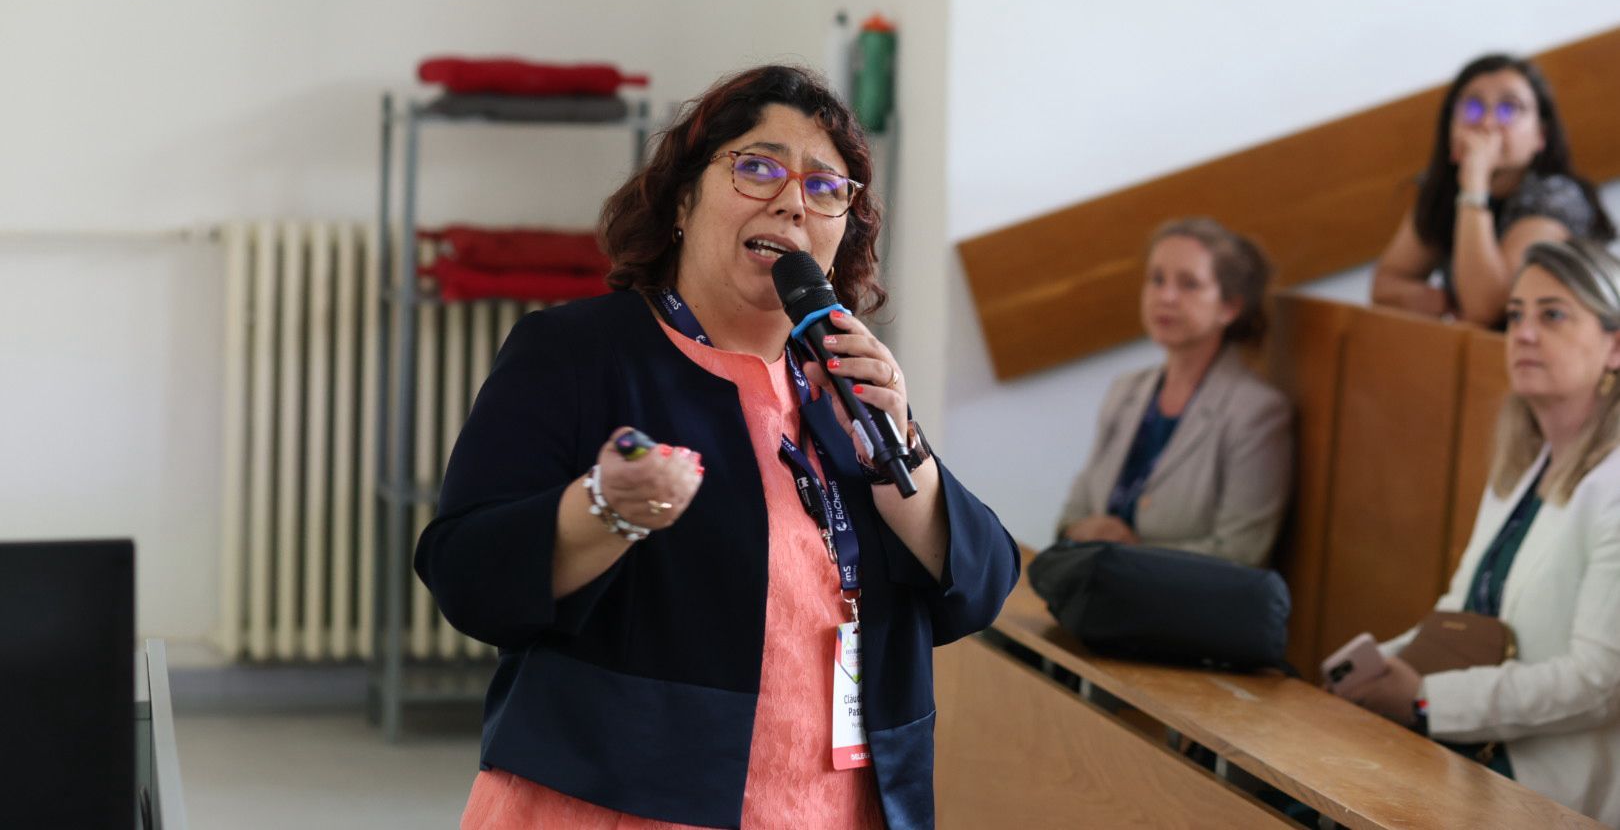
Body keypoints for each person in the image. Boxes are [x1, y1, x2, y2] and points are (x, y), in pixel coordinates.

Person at [414, 63, 1019, 830]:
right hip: (618, 803)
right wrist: (603, 511)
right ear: (682, 199)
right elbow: (467, 577)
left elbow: (981, 587)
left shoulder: (844, 387)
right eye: (758, 167)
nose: (792, 201)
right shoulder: (578, 354)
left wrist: (899, 445)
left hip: (837, 808)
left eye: (825, 187)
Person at [1342, 239, 1620, 824]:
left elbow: (1598, 682)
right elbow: (1461, 611)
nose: (1523, 332)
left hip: (1546, 785)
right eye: (1515, 315)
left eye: (1553, 314)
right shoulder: (1522, 467)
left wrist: (1424, 700)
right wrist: (1375, 670)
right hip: (1465, 747)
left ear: (1615, 346)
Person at [1056, 217, 1292, 567]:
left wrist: (1130, 554)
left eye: (1189, 284)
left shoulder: (1256, 412)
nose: (1165, 296)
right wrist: (1083, 531)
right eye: (1157, 279)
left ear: (1229, 307)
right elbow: (1071, 516)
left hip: (1180, 600)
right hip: (1092, 586)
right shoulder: (1125, 390)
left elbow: (1241, 554)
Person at [1372, 53, 1614, 326]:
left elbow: (1486, 309)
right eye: (1472, 108)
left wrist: (1475, 182)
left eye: (1508, 109)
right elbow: (1385, 285)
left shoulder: (1556, 197)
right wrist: (1437, 301)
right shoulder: (1441, 190)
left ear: (1540, 135)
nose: (1486, 123)